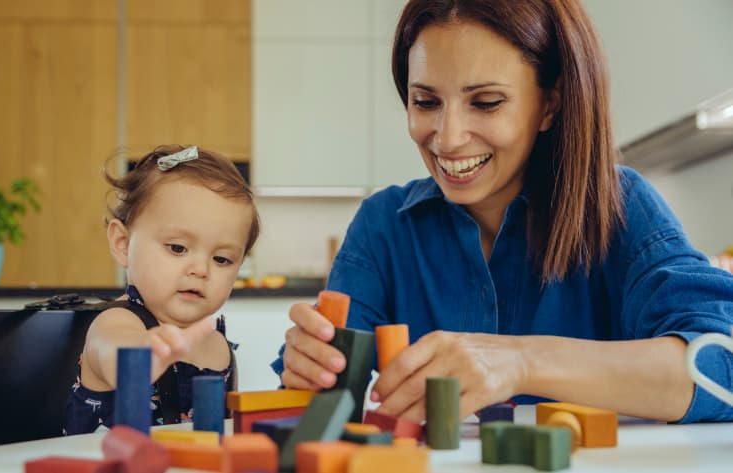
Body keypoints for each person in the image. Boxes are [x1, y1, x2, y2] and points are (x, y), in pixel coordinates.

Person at [274, 0, 733, 424]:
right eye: (426, 102)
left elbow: (722, 364)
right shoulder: (383, 225)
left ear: (549, 104)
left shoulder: (621, 206)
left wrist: (521, 362)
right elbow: (317, 405)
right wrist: (309, 367)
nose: (448, 138)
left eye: (486, 102)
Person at [64, 145, 260, 434]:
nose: (201, 269)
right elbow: (114, 353)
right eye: (178, 248)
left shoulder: (218, 345)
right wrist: (139, 357)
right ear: (123, 244)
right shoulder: (117, 323)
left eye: (221, 259)